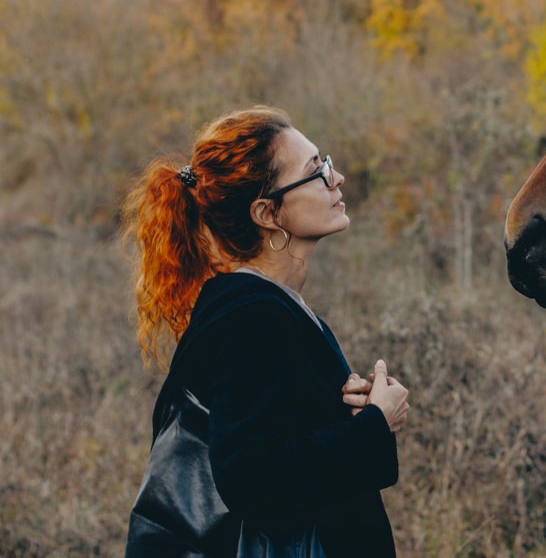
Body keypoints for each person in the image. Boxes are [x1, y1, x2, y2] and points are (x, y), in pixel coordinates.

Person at [121, 105, 408, 555]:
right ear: (267, 213)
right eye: (316, 172)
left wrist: (344, 413)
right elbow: (255, 480)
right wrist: (375, 423)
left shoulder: (267, 306)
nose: (337, 179)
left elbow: (273, 438)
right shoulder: (252, 317)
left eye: (326, 163)